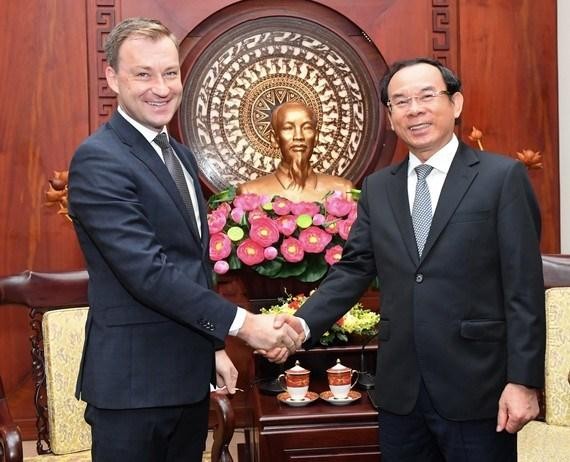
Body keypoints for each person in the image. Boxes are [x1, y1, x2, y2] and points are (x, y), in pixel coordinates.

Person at [271, 57, 546, 461]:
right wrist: (302, 323)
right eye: (401, 101)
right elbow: (354, 269)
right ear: (391, 115)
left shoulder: (500, 178)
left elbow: (524, 286)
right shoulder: (379, 187)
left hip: (479, 388)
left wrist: (523, 381)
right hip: (402, 392)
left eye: (426, 96)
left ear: (456, 104)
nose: (414, 109)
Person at [68, 18, 301, 462]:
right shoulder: (99, 160)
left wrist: (212, 346)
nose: (161, 88)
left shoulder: (178, 154)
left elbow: (191, 263)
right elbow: (148, 273)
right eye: (143, 74)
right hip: (133, 391)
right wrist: (243, 326)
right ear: (112, 78)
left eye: (170, 73)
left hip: (187, 377)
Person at [237, 101, 354, 202]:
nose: (298, 136)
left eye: (306, 128)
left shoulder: (343, 190)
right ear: (274, 138)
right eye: (288, 128)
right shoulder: (249, 193)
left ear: (316, 137)